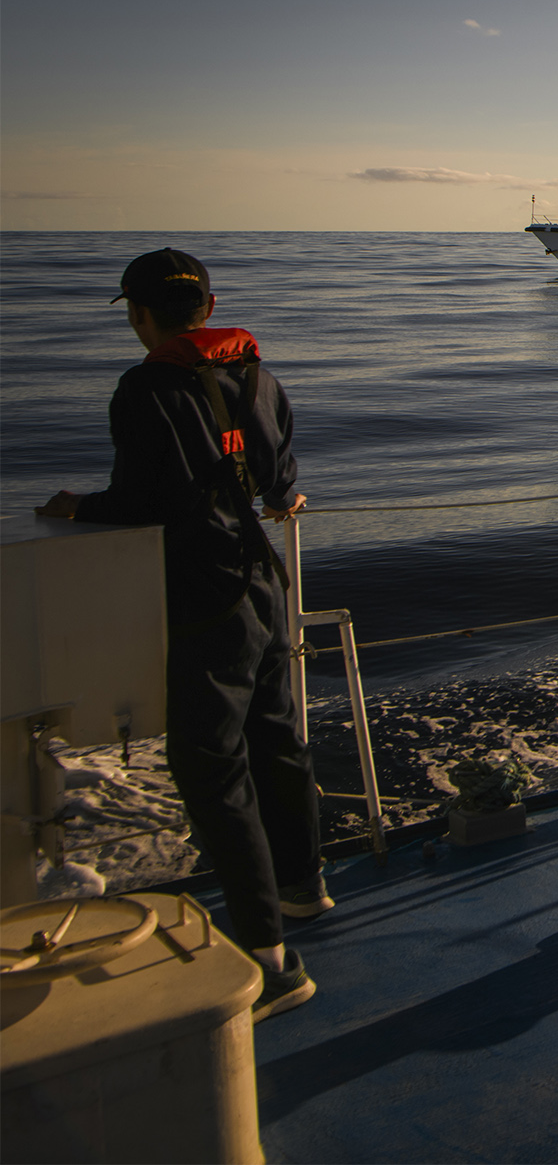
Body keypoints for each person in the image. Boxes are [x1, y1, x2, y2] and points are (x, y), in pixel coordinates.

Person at [37, 248, 328, 1023]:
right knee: (277, 738)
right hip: (265, 584)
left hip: (205, 601)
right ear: (209, 304)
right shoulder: (259, 375)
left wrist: (77, 508)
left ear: (139, 314)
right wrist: (280, 498)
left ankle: (270, 961)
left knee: (209, 767)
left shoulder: (146, 388)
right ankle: (304, 886)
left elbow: (142, 500)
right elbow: (278, 481)